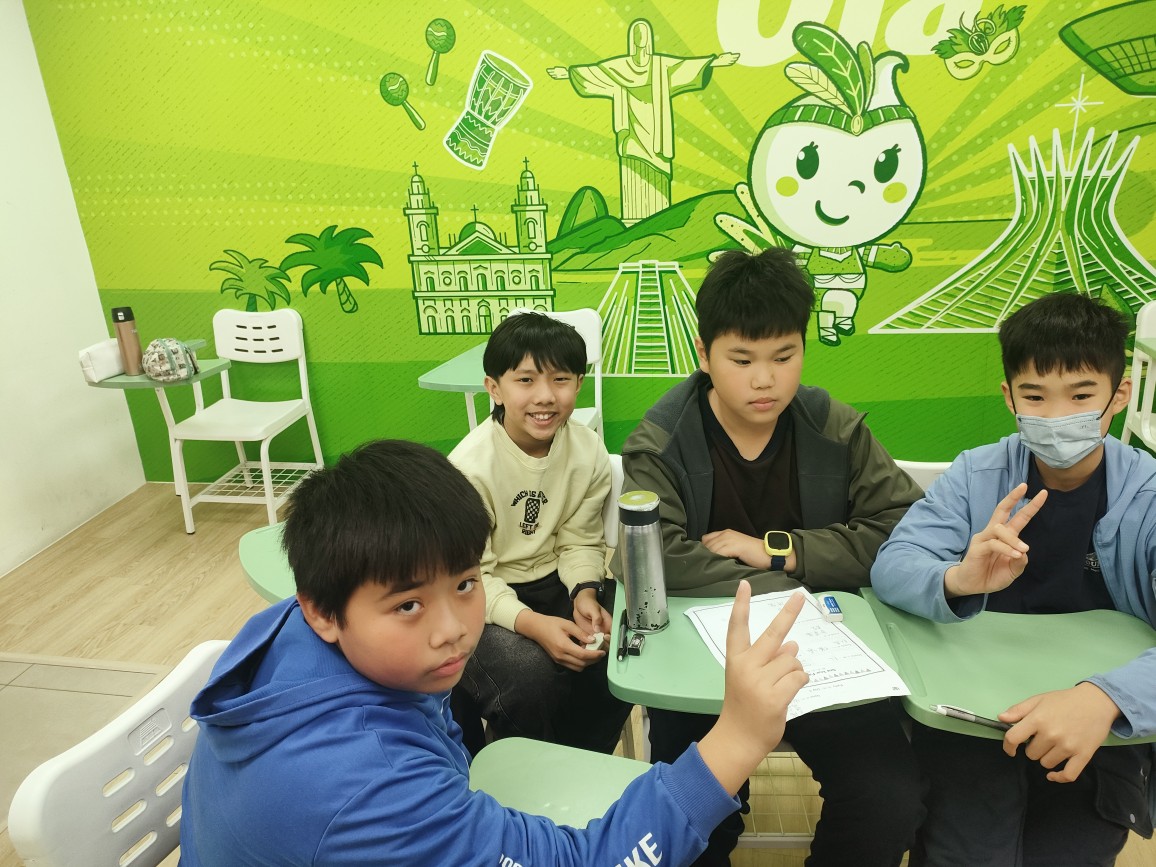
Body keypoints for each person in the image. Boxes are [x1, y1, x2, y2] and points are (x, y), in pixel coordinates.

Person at [178, 439, 811, 865]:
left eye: (464, 584)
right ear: (323, 610)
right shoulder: (370, 789)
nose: (452, 630)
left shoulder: (287, 628)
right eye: (408, 605)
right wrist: (738, 738)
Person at [620, 246, 925, 867]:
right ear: (704, 354)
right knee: (690, 816)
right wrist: (802, 590)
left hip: (820, 657)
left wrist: (777, 552)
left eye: (784, 357)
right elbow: (660, 560)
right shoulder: (661, 441)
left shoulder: (835, 428)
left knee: (889, 798)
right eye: (742, 360)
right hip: (701, 668)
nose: (765, 380)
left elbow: (903, 530)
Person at [871, 292, 1156, 866]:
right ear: (1009, 397)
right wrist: (957, 579)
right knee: (964, 851)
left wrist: (1105, 698)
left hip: (1094, 730)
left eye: (1081, 396)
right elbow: (894, 565)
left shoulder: (1147, 497)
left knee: (1071, 852)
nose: (1056, 417)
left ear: (1120, 394)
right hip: (973, 716)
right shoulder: (977, 473)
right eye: (1035, 396)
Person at [448, 311, 631, 754]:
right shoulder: (469, 469)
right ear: (494, 388)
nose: (545, 396)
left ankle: (582, 762)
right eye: (526, 380)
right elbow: (469, 576)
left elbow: (579, 539)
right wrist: (533, 625)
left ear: (579, 384)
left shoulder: (587, 451)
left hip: (555, 581)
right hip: (480, 596)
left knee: (626, 639)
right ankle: (522, 772)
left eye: (560, 379)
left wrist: (584, 594)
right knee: (530, 675)